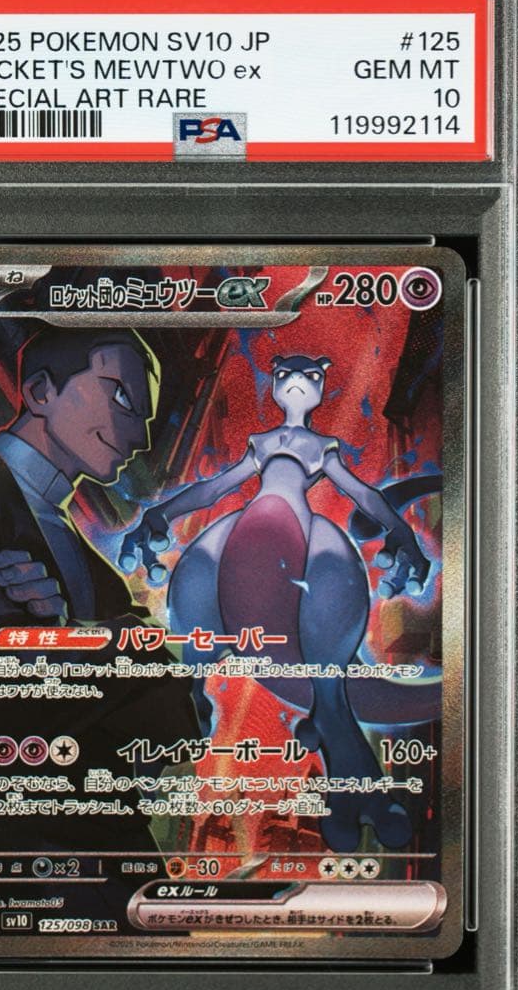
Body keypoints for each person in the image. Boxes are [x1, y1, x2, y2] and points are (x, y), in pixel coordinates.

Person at [120, 353, 431, 852]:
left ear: (321, 387)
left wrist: (401, 531)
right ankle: (172, 726)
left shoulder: (321, 448)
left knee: (328, 685)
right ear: (275, 382)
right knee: (195, 622)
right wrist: (161, 513)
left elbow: (364, 495)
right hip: (246, 536)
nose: (296, 383)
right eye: (286, 375)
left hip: (300, 537)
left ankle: (356, 787)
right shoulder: (261, 443)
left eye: (310, 376)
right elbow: (213, 488)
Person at [0, 326, 200, 925]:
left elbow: (174, 724)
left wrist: (70, 634)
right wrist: (116, 644)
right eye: (120, 397)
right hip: (9, 845)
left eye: (145, 416)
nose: (140, 436)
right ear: (40, 391)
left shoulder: (89, 562)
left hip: (100, 838)